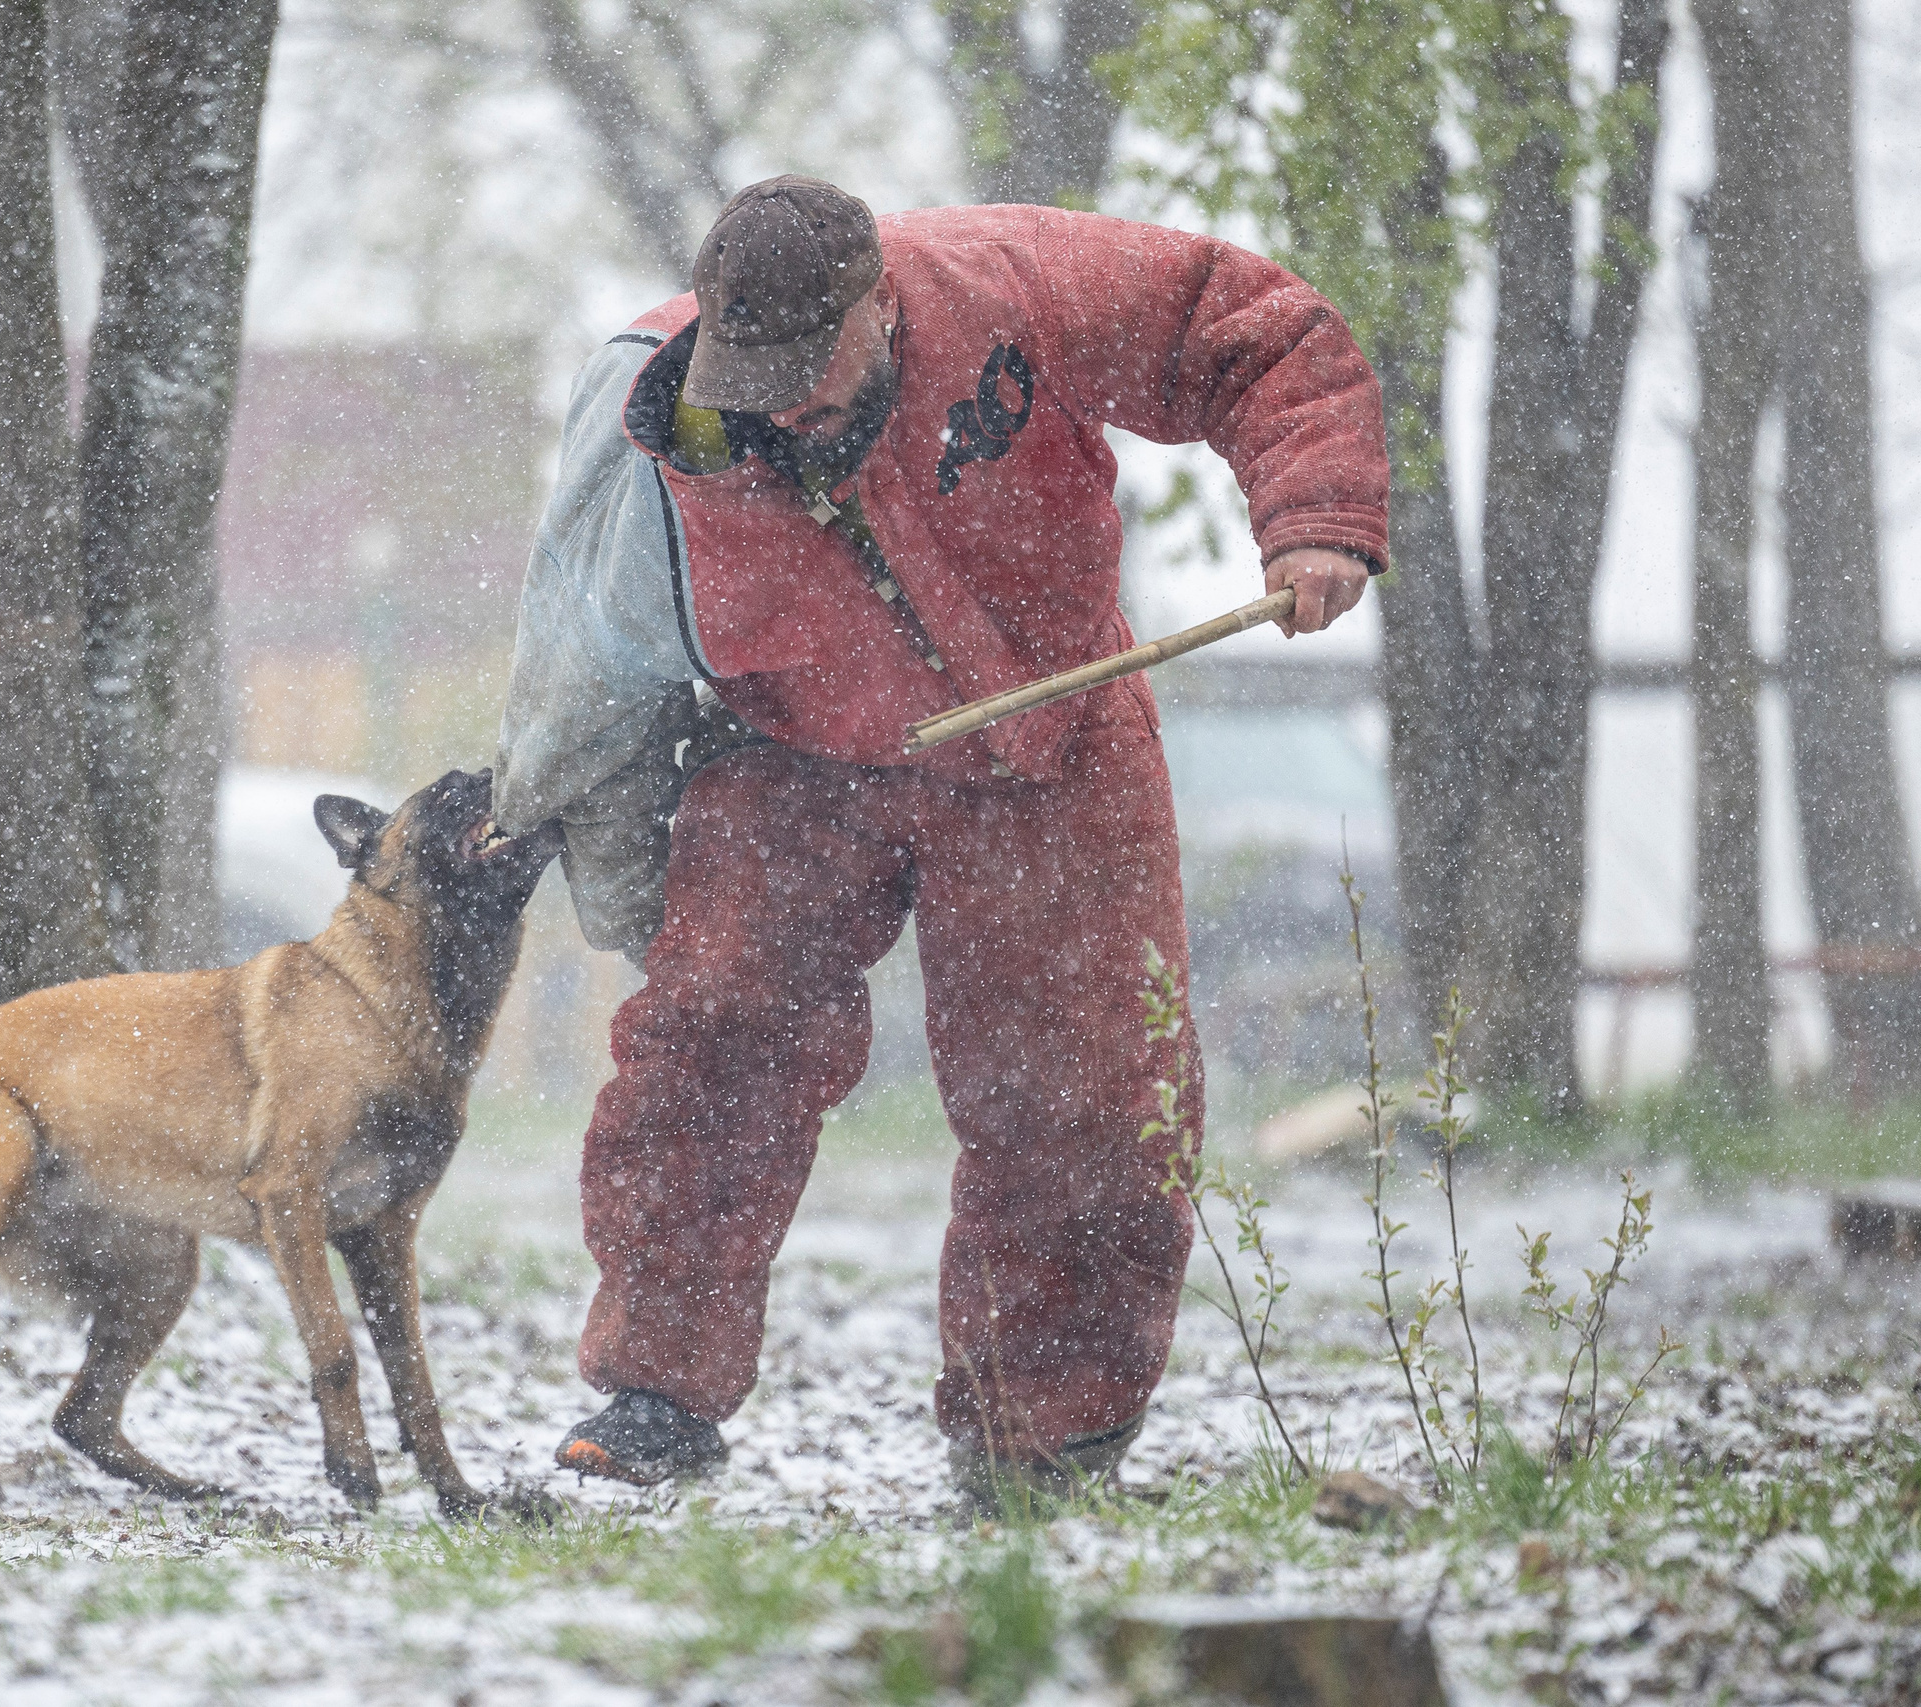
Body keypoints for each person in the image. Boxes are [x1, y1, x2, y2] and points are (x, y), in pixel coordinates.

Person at [491, 175, 1387, 1504]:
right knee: (709, 1041)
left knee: (1090, 1090)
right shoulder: (653, 431)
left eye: (810, 364)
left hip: (1054, 727)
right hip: (785, 749)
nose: (779, 402)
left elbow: (1252, 328)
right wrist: (634, 901)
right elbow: (586, 683)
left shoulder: (1011, 286)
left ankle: (1042, 1439)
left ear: (881, 301)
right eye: (754, 371)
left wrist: (1313, 518)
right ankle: (652, 1396)